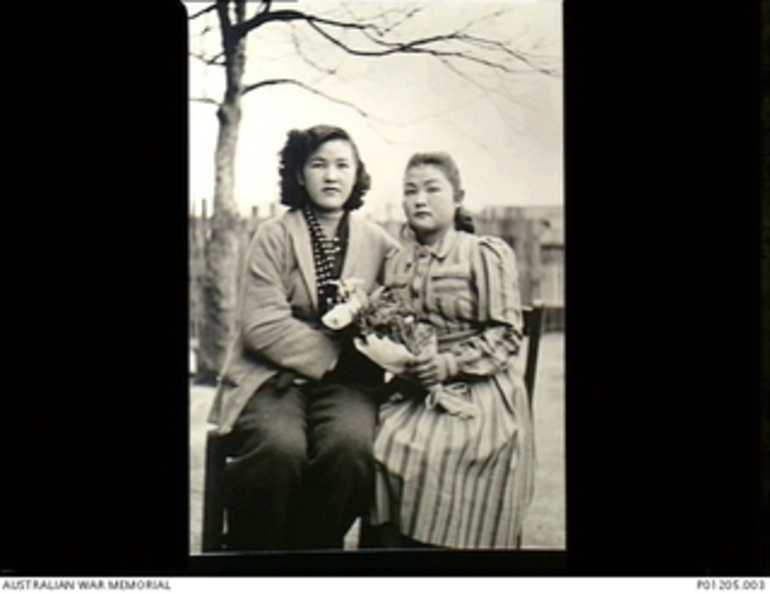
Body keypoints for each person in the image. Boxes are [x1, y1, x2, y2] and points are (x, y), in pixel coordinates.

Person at [207, 124, 401, 552]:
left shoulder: (379, 242)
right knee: (279, 448)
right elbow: (261, 325)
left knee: (351, 448)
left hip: (347, 383)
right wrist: (335, 356)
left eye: (342, 166)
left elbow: (407, 295)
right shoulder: (273, 235)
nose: (331, 176)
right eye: (318, 165)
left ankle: (312, 553)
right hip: (271, 375)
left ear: (356, 175)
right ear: (299, 175)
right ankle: (252, 553)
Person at [364, 151, 536, 549]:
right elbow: (393, 326)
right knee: (377, 441)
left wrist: (449, 363)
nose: (419, 200)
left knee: (437, 452)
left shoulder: (484, 254)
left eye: (431, 189)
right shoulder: (398, 262)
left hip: (481, 388)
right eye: (410, 191)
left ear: (457, 198)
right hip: (417, 387)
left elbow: (507, 334)